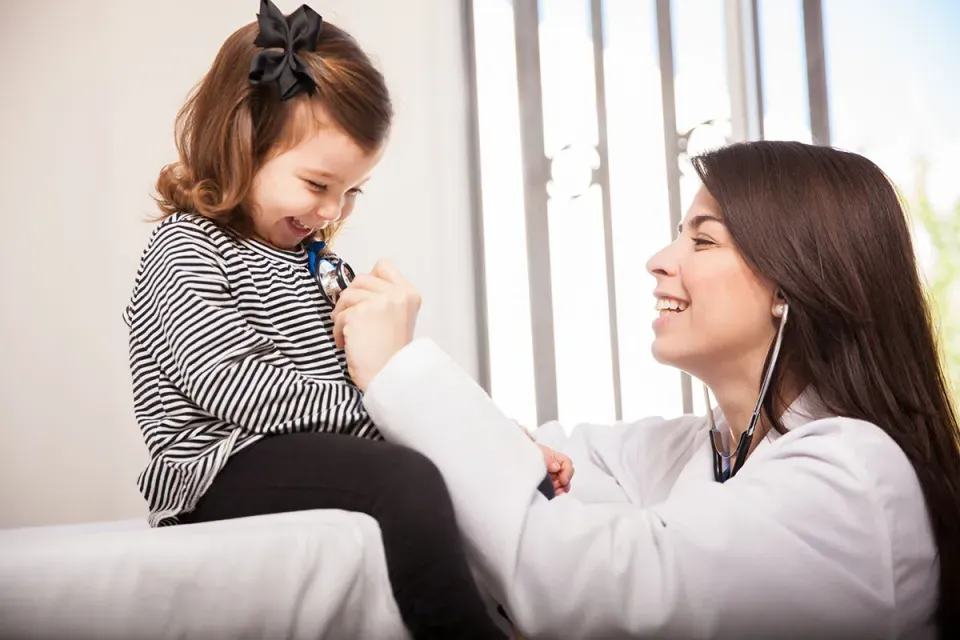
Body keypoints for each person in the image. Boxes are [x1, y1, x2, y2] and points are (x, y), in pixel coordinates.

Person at [333, 140, 960, 638]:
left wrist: (401, 369)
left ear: (791, 285)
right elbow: (538, 468)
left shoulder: (854, 477)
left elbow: (591, 589)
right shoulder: (696, 450)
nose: (659, 260)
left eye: (703, 239)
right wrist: (505, 449)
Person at [123, 2, 570, 637]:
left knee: (475, 472)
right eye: (317, 183)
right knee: (404, 477)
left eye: (352, 191)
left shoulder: (323, 265)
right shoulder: (187, 246)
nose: (333, 209)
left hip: (310, 448)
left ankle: (541, 612)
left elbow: (388, 379)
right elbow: (226, 384)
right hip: (215, 468)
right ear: (242, 141)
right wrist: (391, 421)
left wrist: (493, 438)